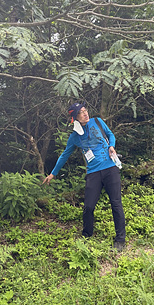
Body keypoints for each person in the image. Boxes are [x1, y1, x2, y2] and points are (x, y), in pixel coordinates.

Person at [43, 102, 126, 250]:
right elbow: (64, 155)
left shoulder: (97, 121)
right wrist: (52, 174)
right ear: (75, 118)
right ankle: (87, 235)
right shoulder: (74, 137)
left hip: (110, 168)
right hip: (93, 173)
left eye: (85, 110)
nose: (85, 113)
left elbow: (110, 134)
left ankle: (120, 240)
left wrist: (111, 146)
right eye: (81, 112)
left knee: (116, 203)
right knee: (88, 206)